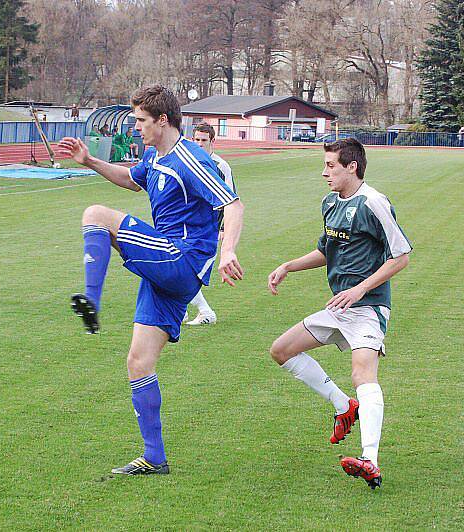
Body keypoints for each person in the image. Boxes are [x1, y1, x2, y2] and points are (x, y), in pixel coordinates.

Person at [56, 85, 244, 476]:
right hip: (167, 271)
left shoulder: (190, 160)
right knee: (138, 363)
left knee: (96, 214)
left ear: (162, 120)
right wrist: (90, 161)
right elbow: (130, 179)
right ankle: (154, 457)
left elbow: (233, 204)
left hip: (181, 257)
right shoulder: (155, 157)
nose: (136, 126)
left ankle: (92, 300)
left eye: (141, 120)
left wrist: (227, 251)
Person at [267, 138, 411, 490]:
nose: (324, 172)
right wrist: (289, 266)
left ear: (352, 167)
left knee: (363, 374)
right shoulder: (330, 203)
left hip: (368, 308)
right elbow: (325, 250)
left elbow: (401, 255)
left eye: (331, 165)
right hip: (338, 308)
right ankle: (342, 404)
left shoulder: (374, 203)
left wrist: (361, 288)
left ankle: (370, 459)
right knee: (281, 350)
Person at [183, 122, 237, 326]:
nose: (199, 144)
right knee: (181, 268)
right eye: (196, 139)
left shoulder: (221, 166)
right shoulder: (188, 162)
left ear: (212, 141)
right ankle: (185, 311)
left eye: (203, 140)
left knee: (187, 271)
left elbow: (230, 200)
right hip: (187, 226)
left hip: (208, 229)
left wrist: (223, 228)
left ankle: (204, 311)